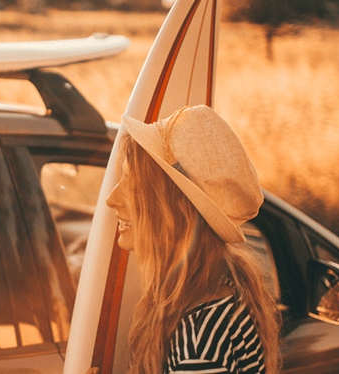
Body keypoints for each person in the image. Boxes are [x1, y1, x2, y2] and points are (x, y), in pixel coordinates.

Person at [88, 106, 282, 374]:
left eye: (133, 185)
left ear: (173, 211)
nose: (112, 199)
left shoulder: (198, 342)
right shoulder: (222, 286)